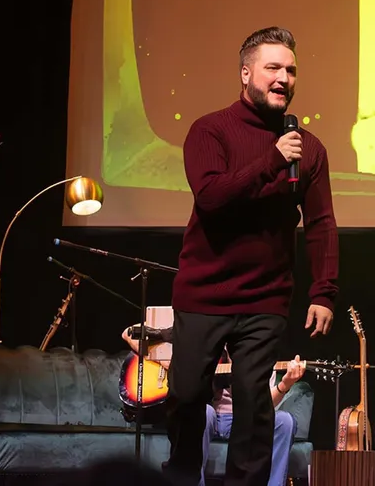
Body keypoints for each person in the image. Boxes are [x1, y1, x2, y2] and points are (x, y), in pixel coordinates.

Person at [165, 26, 339, 486]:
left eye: (291, 70)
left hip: (266, 297)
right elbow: (211, 196)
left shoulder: (309, 148)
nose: (284, 78)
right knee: (185, 397)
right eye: (273, 68)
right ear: (246, 73)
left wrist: (323, 291)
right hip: (205, 291)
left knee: (252, 401)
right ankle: (182, 474)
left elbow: (320, 222)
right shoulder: (209, 130)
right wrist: (272, 160)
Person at [121, 326, 305, 486]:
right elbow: (128, 333)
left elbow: (262, 405)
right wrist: (152, 354)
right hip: (213, 416)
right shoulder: (203, 342)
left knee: (285, 421)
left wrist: (284, 385)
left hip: (245, 420)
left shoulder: (260, 355)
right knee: (203, 411)